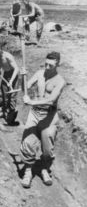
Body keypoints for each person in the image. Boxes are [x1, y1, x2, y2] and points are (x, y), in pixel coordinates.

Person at [20, 51, 65, 188]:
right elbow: (25, 88)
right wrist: (22, 77)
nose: (46, 67)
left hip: (49, 117)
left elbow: (51, 100)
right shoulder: (40, 74)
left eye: (50, 65)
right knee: (28, 141)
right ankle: (28, 171)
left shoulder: (60, 81)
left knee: (47, 147)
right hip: (35, 114)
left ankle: (44, 169)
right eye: (45, 64)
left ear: (57, 64)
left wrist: (32, 102)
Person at [0, 43, 19, 125]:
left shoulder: (8, 56)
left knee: (12, 97)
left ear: (1, 50)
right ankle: (3, 112)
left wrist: (11, 81)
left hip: (13, 75)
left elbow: (16, 69)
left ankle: (11, 118)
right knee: (3, 94)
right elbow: (0, 63)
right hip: (6, 74)